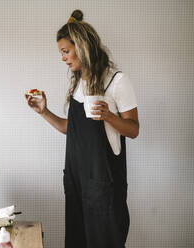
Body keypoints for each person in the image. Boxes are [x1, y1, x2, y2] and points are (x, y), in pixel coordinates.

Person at [25, 10, 139, 248]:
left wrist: (109, 116)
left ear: (83, 46)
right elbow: (72, 129)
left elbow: (133, 129)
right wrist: (44, 111)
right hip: (78, 184)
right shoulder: (79, 83)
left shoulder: (116, 81)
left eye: (66, 51)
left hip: (104, 187)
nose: (63, 58)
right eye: (61, 53)